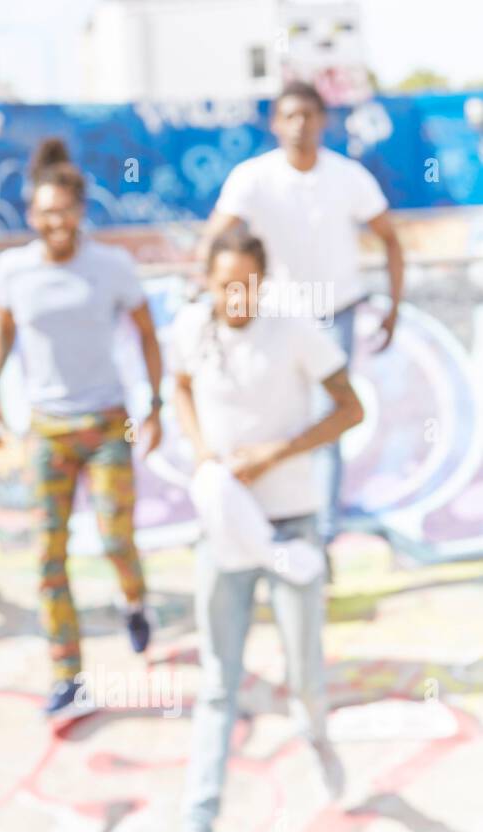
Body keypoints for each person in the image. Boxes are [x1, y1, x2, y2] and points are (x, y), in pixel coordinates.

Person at [155, 227, 364, 832]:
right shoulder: (193, 327)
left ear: (263, 281)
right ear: (208, 282)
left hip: (292, 520)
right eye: (224, 284)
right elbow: (181, 387)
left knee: (304, 667)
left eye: (247, 283)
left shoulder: (294, 328)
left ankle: (318, 738)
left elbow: (349, 409)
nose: (236, 296)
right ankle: (197, 827)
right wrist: (202, 454)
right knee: (219, 681)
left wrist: (279, 452)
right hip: (225, 528)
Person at [0, 138, 164, 716]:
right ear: (32, 215)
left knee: (114, 539)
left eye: (64, 209)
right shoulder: (12, 269)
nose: (54, 221)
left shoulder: (111, 266)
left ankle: (134, 602)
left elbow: (147, 332)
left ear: (81, 211)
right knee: (48, 558)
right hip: (49, 432)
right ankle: (68, 677)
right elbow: (4, 332)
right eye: (43, 211)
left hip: (108, 425)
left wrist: (153, 403)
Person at [199, 80, 403, 574]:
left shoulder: (348, 177)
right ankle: (256, 532)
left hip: (335, 312)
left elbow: (391, 239)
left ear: (322, 121)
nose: (299, 125)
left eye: (308, 115)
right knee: (264, 423)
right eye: (289, 116)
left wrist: (394, 304)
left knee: (326, 423)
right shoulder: (253, 176)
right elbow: (214, 237)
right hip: (274, 318)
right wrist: (211, 298)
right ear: (275, 123)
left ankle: (322, 539)